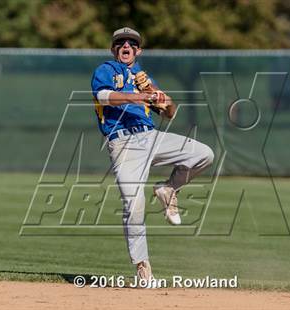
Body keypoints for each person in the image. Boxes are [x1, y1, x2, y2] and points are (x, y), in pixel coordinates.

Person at [91, 27, 214, 288]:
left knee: (204, 154)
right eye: (121, 43)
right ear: (114, 50)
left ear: (139, 51)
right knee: (134, 206)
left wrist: (163, 98)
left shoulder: (143, 77)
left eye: (132, 43)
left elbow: (170, 113)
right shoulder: (106, 70)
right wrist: (139, 96)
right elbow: (103, 96)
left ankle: (169, 189)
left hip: (151, 136)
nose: (126, 46)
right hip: (123, 143)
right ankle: (142, 266)